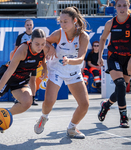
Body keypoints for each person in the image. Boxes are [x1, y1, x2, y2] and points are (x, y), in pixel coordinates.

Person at [34, 6, 90, 139]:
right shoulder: (58, 34)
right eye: (61, 21)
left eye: (66, 21)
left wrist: (69, 61)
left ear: (74, 20)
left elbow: (81, 58)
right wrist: (50, 47)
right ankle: (44, 117)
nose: (63, 24)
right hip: (56, 70)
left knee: (85, 104)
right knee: (49, 101)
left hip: (73, 70)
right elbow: (44, 42)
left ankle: (72, 128)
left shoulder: (83, 37)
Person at [97, 0, 130, 128]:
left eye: (125, 5)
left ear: (128, 6)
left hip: (129, 58)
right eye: (119, 5)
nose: (122, 8)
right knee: (121, 85)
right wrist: (100, 56)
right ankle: (123, 117)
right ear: (115, 7)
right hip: (114, 57)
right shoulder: (110, 23)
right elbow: (103, 39)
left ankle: (106, 105)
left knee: (120, 90)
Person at [10, 19, 38, 105]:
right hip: (23, 62)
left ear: (33, 26)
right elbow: (16, 50)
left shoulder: (36, 36)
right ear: (25, 26)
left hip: (33, 61)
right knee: (19, 80)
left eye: (30, 25)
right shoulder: (20, 36)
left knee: (32, 80)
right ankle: (17, 98)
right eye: (27, 25)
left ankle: (33, 98)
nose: (29, 26)